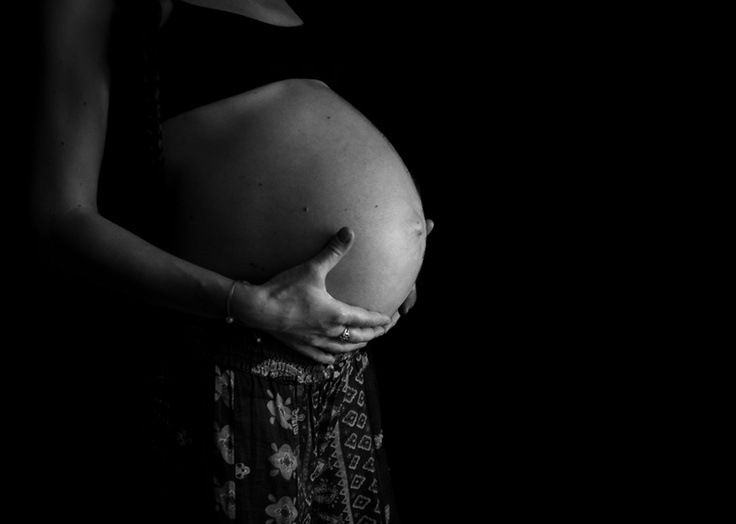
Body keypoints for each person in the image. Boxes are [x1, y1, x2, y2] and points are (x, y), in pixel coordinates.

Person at [29, 0, 433, 521]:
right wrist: (245, 304)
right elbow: (59, 219)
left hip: (338, 361)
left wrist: (399, 240)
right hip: (233, 357)